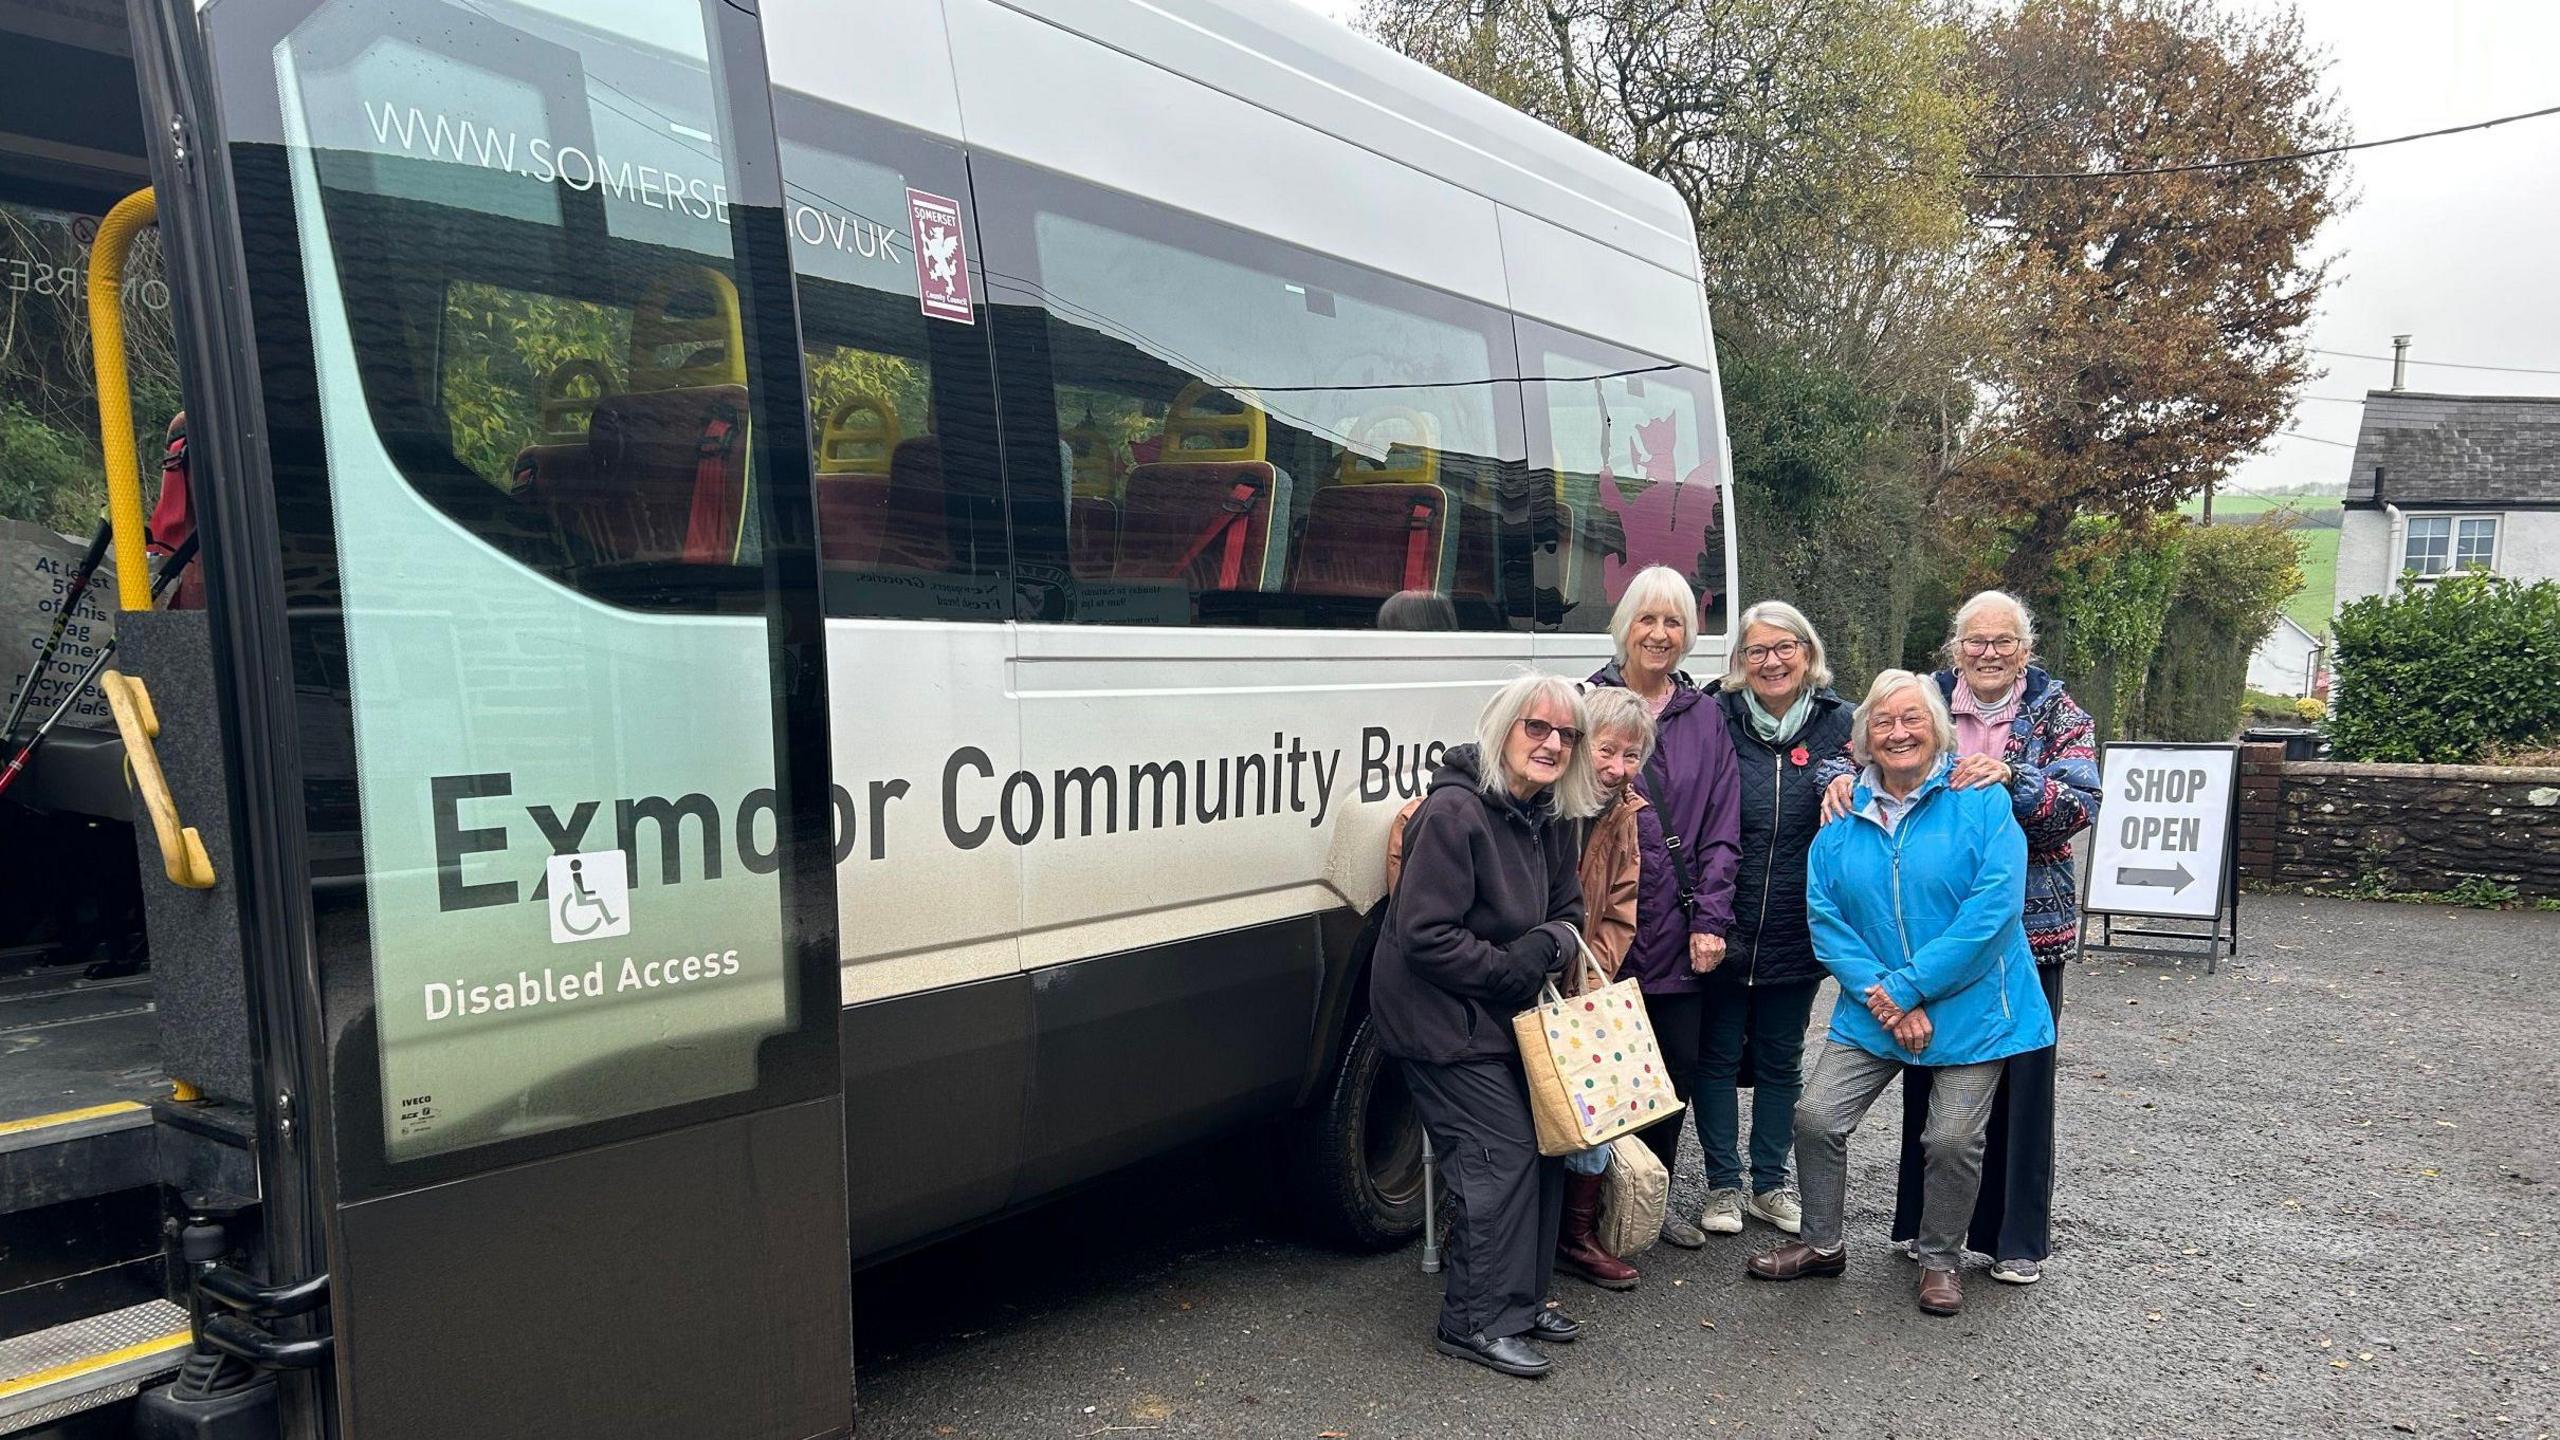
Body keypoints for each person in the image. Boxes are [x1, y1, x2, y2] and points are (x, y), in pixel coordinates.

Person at [1749, 670, 2054, 1318]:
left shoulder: (1981, 802)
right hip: (1878, 1005)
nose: (1898, 731)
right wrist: (1884, 996)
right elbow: (1826, 921)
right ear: (1862, 740)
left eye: (1912, 718)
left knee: (1949, 1139)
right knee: (1817, 1117)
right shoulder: (1838, 819)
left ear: (1939, 729)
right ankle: (1821, 1244)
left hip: (1976, 1007)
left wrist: (1910, 989)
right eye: (1883, 721)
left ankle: (1940, 1259)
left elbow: (1993, 912)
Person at [1820, 590, 2099, 1285]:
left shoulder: (2059, 714)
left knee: (2020, 1091)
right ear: (1955, 648)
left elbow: (2080, 803)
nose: (1989, 653)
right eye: (1975, 641)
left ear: (2025, 651)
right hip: (1920, 929)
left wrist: (2013, 777)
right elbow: (1854, 751)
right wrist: (1837, 783)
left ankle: (2014, 1242)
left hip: (2026, 923)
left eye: (2003, 642)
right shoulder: (1923, 698)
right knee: (1930, 1082)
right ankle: (1926, 1231)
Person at [1369, 672, 1598, 1380]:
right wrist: (1515, 964)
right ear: (1504, 729)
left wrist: (1550, 946)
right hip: (1438, 1014)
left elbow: (1570, 914)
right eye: (1538, 728)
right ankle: (1472, 1321)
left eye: (1567, 734)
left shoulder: (1551, 814)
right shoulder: (1454, 814)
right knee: (1497, 1154)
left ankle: (1519, 1303)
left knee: (1547, 1141)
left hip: (1505, 1011)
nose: (1553, 743)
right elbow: (1425, 937)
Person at [1585, 565, 1741, 1249]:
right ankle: (1584, 1210)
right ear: (1625, 625)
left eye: (1673, 621)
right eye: (1647, 619)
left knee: (1670, 1073)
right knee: (1598, 1072)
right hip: (1602, 927)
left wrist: (1710, 919)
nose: (1658, 633)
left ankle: (1650, 1202)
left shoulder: (1704, 715)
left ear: (1688, 634)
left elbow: (1722, 826)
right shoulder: (1584, 702)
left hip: (1679, 929)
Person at [1692, 600, 1855, 1239]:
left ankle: (1768, 1183)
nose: (1772, 661)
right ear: (1739, 663)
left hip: (1799, 923)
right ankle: (1722, 1186)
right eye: (1757, 651)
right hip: (1721, 919)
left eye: (1785, 647)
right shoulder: (1713, 716)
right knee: (1716, 1054)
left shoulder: (1841, 724)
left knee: (1782, 1060)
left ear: (1807, 654)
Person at [1551, 686, 1656, 1293]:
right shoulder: (1546, 799)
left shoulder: (1623, 812)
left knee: (1598, 1109)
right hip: (1521, 976)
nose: (1618, 768)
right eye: (1607, 751)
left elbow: (1620, 908)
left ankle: (1577, 1237)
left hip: (1582, 978)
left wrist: (1592, 979)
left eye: (1631, 755)